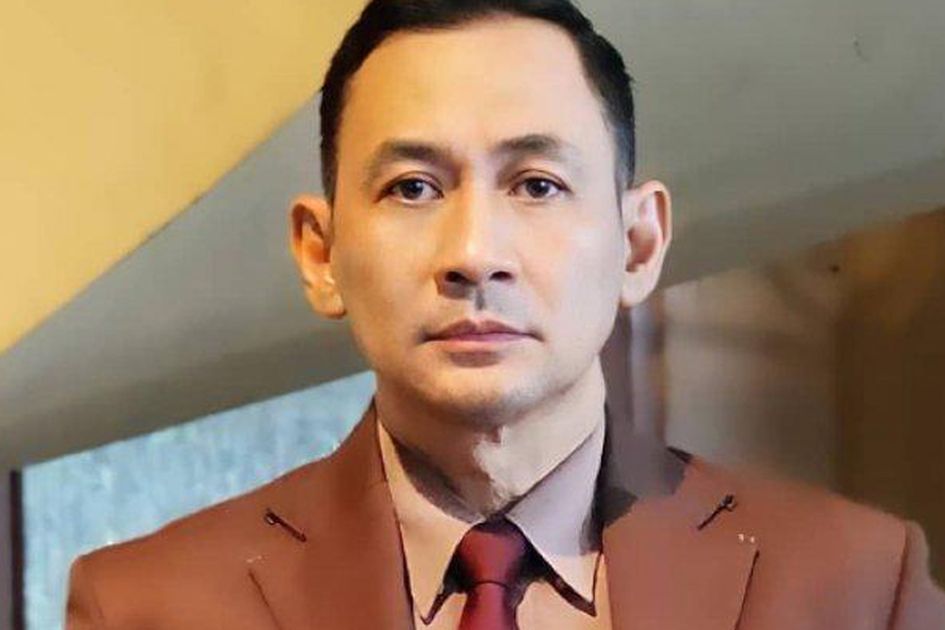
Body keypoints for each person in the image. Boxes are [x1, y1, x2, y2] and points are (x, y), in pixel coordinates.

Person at [66, 1, 945, 628]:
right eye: (413, 188)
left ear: (637, 244)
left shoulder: (856, 586)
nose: (473, 252)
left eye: (537, 185)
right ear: (320, 253)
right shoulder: (150, 606)